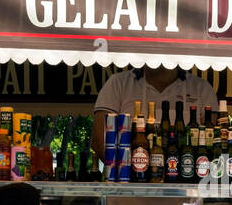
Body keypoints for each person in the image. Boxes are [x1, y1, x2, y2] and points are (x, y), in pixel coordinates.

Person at [91, 66, 219, 164]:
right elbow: (99, 141)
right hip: (127, 193)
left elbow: (209, 146)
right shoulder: (118, 83)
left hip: (183, 190)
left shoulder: (201, 88)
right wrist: (133, 172)